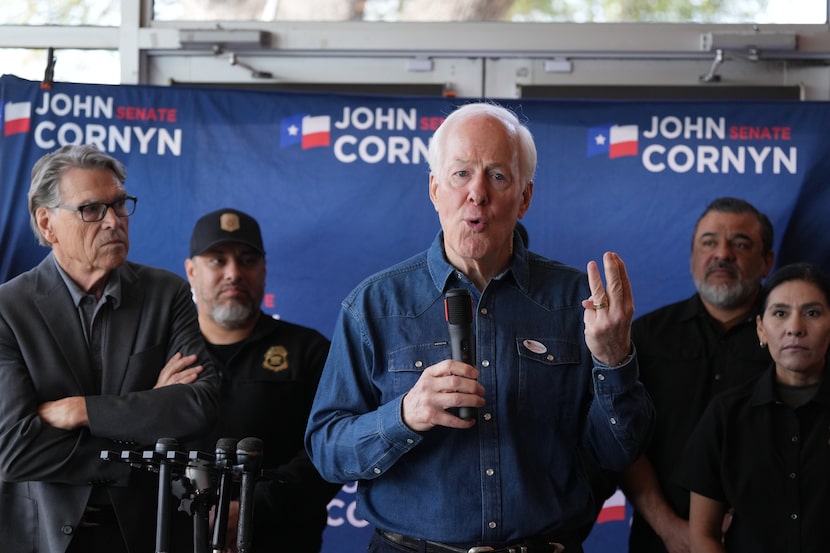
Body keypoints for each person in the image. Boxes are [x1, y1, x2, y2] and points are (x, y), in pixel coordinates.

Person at [304, 102, 654, 553]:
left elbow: (618, 453)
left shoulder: (578, 304)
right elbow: (327, 450)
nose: (477, 194)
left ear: (524, 198)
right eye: (460, 174)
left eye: (498, 176)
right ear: (434, 189)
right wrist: (405, 415)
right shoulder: (373, 306)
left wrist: (614, 359)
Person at [0, 144, 220, 553]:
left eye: (119, 205)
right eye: (91, 210)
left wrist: (79, 410)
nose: (113, 221)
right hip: (42, 535)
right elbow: (13, 450)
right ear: (47, 224)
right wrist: (145, 419)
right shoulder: (8, 309)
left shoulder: (165, 294)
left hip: (146, 532)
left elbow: (199, 405)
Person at [620, 197, 775, 553]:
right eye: (709, 242)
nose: (722, 254)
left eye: (740, 243)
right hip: (660, 540)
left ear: (768, 261)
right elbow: (626, 441)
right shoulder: (645, 336)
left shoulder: (793, 343)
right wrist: (669, 527)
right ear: (692, 257)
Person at [183, 208, 341, 553]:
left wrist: (251, 507)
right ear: (191, 271)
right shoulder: (166, 354)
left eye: (247, 260)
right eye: (217, 261)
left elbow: (330, 450)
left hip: (282, 540)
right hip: (179, 534)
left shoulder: (308, 351)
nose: (234, 273)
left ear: (264, 270)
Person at [686, 262, 830, 552]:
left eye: (812, 313)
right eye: (780, 313)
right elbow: (703, 534)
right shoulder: (726, 415)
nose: (795, 329)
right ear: (761, 329)